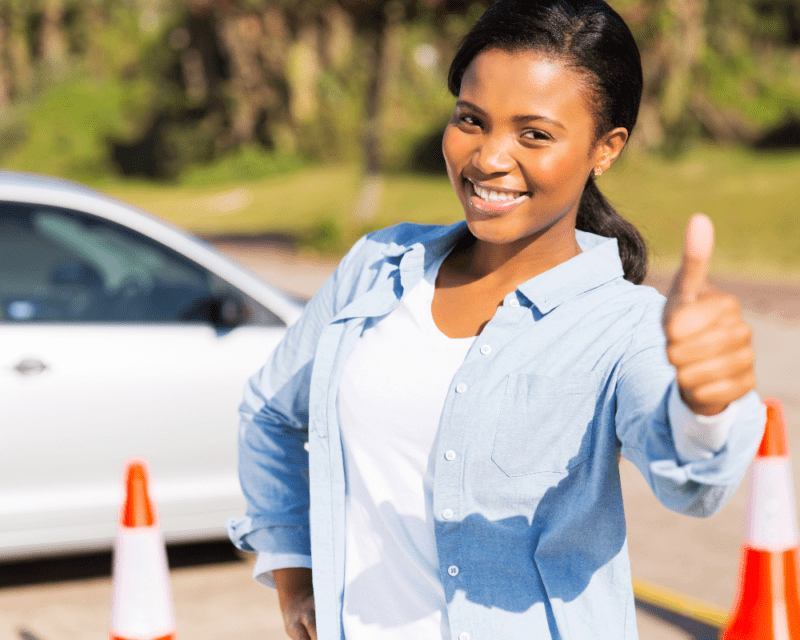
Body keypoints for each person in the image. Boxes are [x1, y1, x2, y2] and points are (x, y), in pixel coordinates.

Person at [227, 1, 765, 638]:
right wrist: (295, 572)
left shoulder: (624, 328)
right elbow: (269, 413)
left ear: (605, 149)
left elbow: (695, 484)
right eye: (470, 121)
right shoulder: (377, 267)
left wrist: (704, 411)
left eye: (534, 134)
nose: (488, 158)